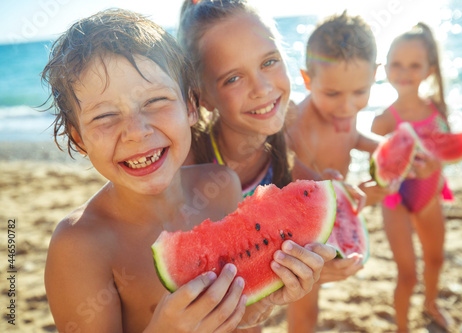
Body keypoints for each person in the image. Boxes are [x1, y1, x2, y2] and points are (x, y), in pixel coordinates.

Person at [42, 9, 335, 333]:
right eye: (105, 116)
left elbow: (237, 319)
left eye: (155, 101)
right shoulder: (78, 246)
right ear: (78, 137)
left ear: (191, 106)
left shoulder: (221, 183)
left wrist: (266, 299)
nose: (136, 131)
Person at [178, 3, 360, 331]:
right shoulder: (189, 161)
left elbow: (311, 188)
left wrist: (334, 200)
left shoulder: (281, 145)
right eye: (233, 78)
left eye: (269, 61)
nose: (262, 88)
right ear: (203, 96)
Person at [285, 12, 393, 333]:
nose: (347, 106)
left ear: (375, 75)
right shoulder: (300, 121)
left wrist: (382, 146)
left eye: (360, 93)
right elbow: (284, 167)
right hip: (302, 229)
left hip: (334, 211)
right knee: (304, 305)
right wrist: (326, 186)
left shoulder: (344, 110)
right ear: (307, 80)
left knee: (314, 300)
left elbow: (354, 138)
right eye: (332, 94)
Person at [371, 22, 462, 332]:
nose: (405, 72)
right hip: (396, 201)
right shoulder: (384, 119)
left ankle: (430, 304)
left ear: (429, 69)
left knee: (436, 259)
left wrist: (434, 166)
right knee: (407, 274)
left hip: (431, 196)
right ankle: (402, 327)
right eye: (396, 64)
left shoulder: (437, 108)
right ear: (385, 68)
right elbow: (377, 171)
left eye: (414, 65)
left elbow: (446, 150)